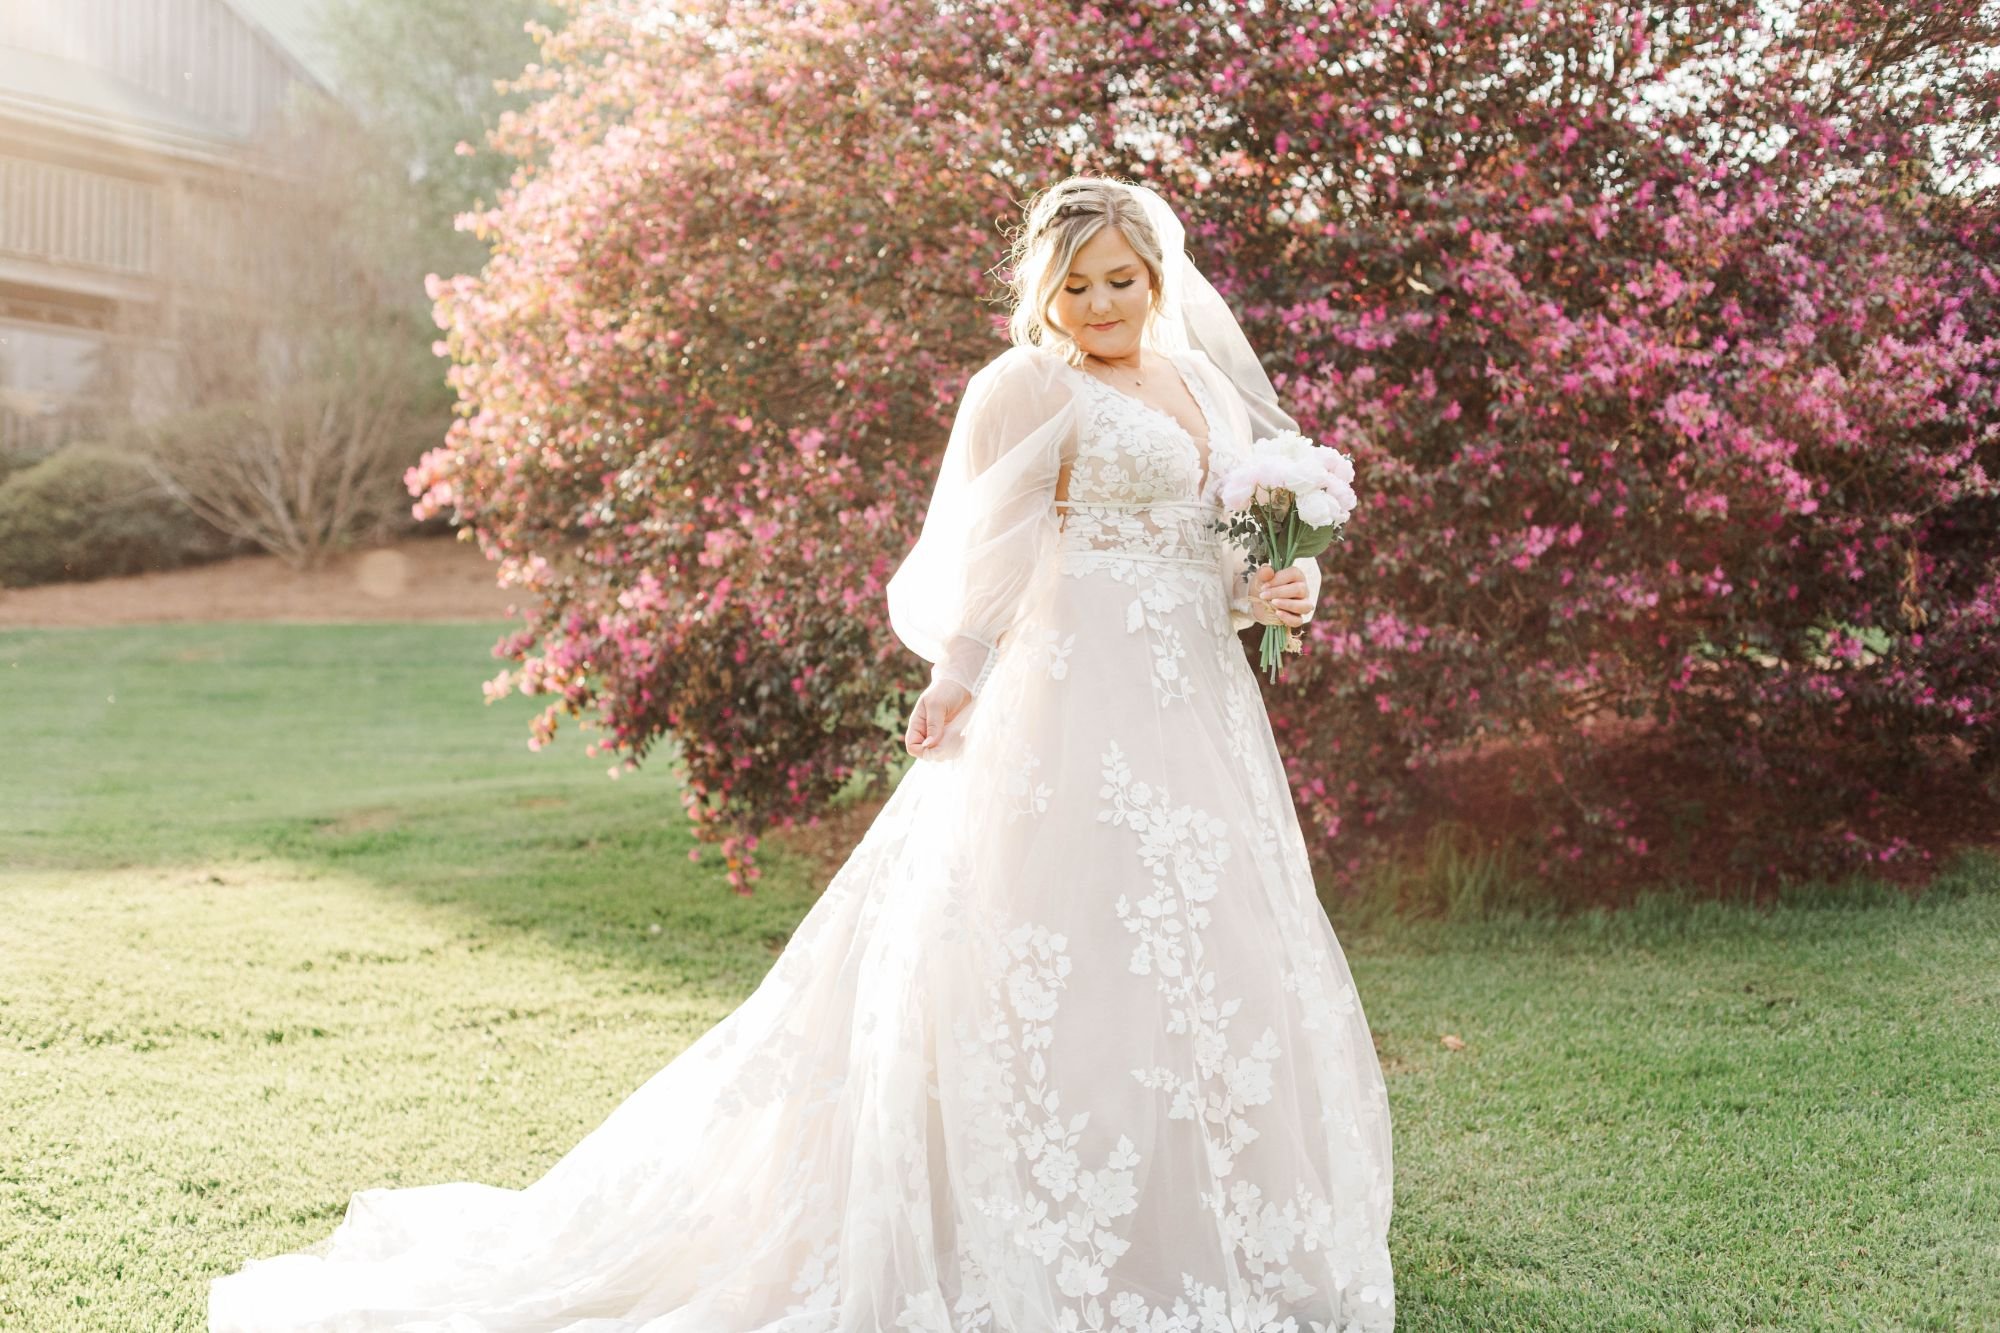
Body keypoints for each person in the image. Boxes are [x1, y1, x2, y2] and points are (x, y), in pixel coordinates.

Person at [208, 175, 1396, 1333]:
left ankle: (1182, 1230)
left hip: (1193, 710)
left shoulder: (1200, 382)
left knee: (1199, 955)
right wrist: (954, 676)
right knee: (1055, 948)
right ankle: (1032, 1237)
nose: (1098, 304)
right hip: (1071, 704)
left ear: (1155, 277)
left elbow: (1223, 552)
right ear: (1042, 292)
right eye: (1073, 285)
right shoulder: (1026, 386)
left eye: (1119, 281)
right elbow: (992, 554)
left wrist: (1280, 587)